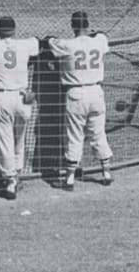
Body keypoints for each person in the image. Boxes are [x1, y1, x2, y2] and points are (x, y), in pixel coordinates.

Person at [46, 10, 115, 188]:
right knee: (98, 133)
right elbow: (102, 35)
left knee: (75, 136)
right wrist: (94, 33)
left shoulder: (67, 44)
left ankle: (69, 179)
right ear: (88, 24)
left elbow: (49, 40)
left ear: (73, 26)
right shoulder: (99, 41)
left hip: (76, 94)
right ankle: (106, 173)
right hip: (96, 92)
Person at [0, 15, 40, 199]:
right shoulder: (25, 44)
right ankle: (17, 174)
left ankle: (10, 181)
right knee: (19, 139)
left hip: (1, 97)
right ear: (14, 30)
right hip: (22, 98)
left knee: (4, 141)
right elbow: (38, 43)